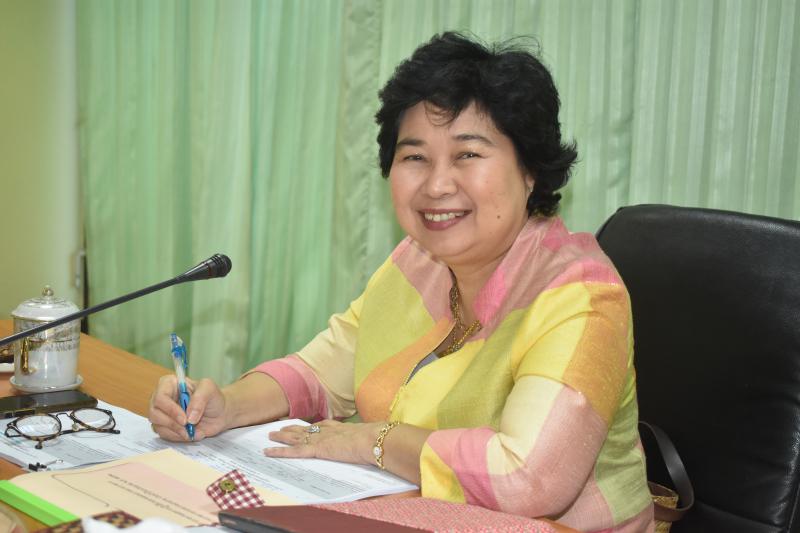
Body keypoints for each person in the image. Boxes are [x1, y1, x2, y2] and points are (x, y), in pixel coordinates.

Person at [149, 32, 654, 532]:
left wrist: (373, 440)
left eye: (468, 155)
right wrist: (228, 406)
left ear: (530, 171)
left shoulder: (582, 297)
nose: (436, 185)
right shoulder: (418, 259)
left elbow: (525, 478)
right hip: (423, 511)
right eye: (415, 157)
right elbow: (321, 372)